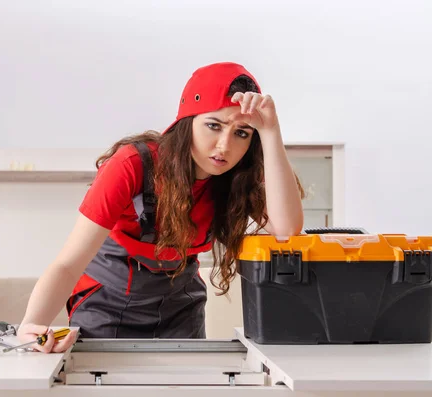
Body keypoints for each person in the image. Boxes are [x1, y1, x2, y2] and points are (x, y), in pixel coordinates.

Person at [17, 62, 305, 353]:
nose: (224, 146)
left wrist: (270, 131)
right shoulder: (132, 165)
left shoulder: (237, 178)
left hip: (180, 308)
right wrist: (31, 326)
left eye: (241, 133)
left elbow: (286, 228)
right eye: (213, 125)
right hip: (106, 304)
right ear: (187, 122)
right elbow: (68, 265)